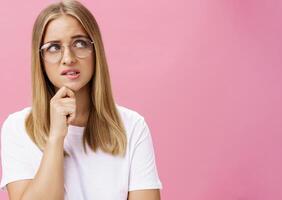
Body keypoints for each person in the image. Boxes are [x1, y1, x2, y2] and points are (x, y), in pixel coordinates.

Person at [0, 0, 163, 199]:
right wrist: (56, 137)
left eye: (80, 43)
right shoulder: (19, 127)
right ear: (40, 59)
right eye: (53, 47)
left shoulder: (132, 126)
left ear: (96, 52)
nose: (68, 58)